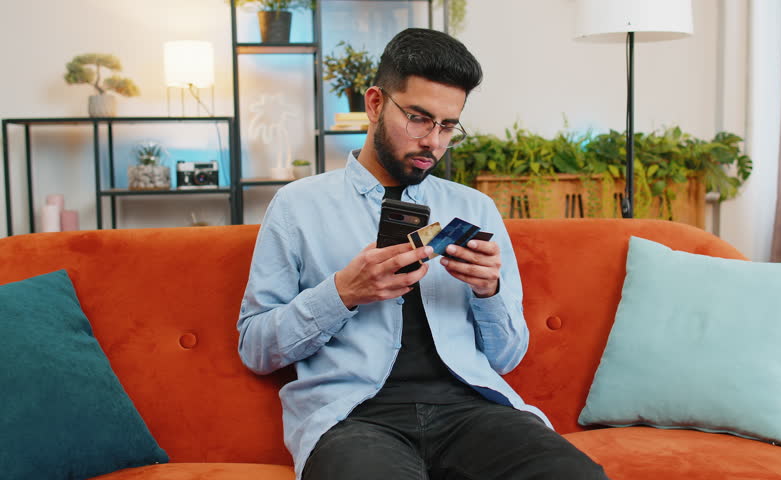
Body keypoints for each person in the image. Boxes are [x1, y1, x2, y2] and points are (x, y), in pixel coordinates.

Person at [237, 28, 609, 480]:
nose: (433, 141)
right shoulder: (298, 206)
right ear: (374, 104)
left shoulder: (474, 208)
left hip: (472, 410)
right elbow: (255, 348)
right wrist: (342, 292)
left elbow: (508, 357)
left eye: (448, 125)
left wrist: (488, 290)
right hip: (355, 418)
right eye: (418, 118)